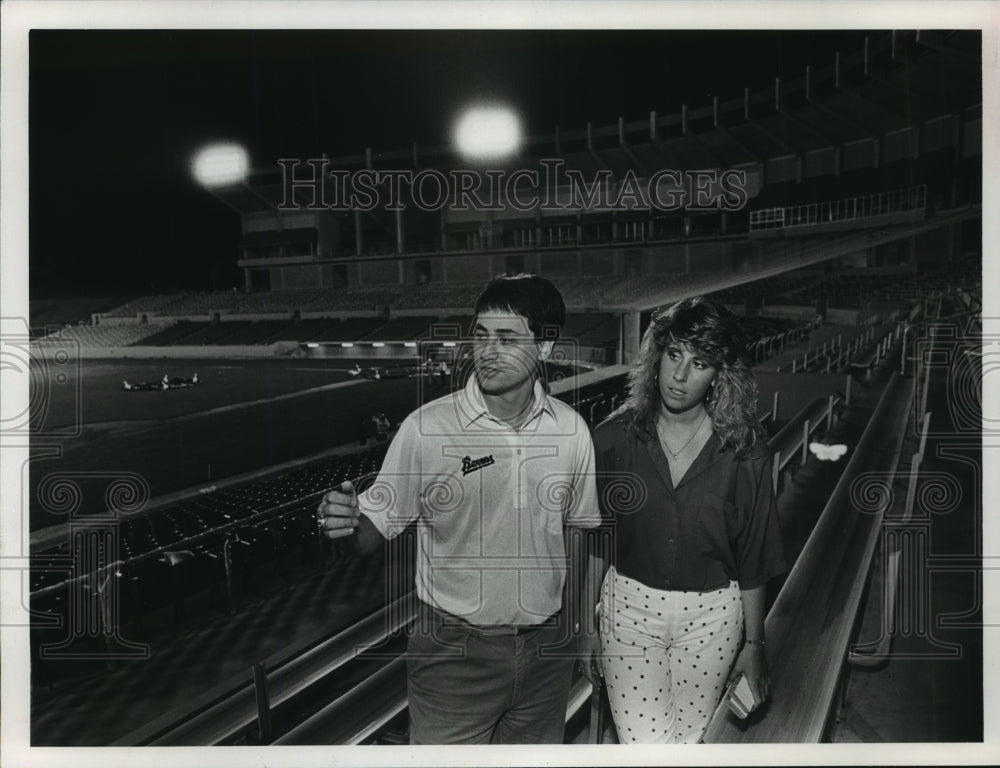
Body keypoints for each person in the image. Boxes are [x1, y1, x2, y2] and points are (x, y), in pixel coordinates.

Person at [317, 274, 601, 744]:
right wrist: (345, 524)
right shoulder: (426, 429)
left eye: (507, 338)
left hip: (546, 653)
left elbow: (579, 529)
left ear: (546, 350)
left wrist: (575, 627)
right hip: (453, 655)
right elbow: (372, 533)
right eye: (481, 335)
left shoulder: (571, 432)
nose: (487, 351)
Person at [580, 297, 786, 744]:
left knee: (691, 741)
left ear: (719, 374)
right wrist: (585, 626)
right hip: (630, 610)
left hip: (713, 617)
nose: (680, 375)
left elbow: (753, 558)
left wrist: (755, 646)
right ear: (656, 357)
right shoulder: (613, 439)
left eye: (700, 363)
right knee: (646, 745)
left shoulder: (747, 452)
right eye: (674, 355)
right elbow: (598, 540)